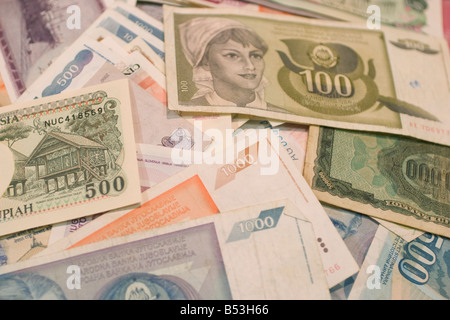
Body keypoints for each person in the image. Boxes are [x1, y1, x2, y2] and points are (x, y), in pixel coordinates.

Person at [179, 17, 274, 109]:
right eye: (232, 55)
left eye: (255, 56)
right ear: (206, 61)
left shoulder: (280, 115)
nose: (250, 66)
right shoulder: (186, 110)